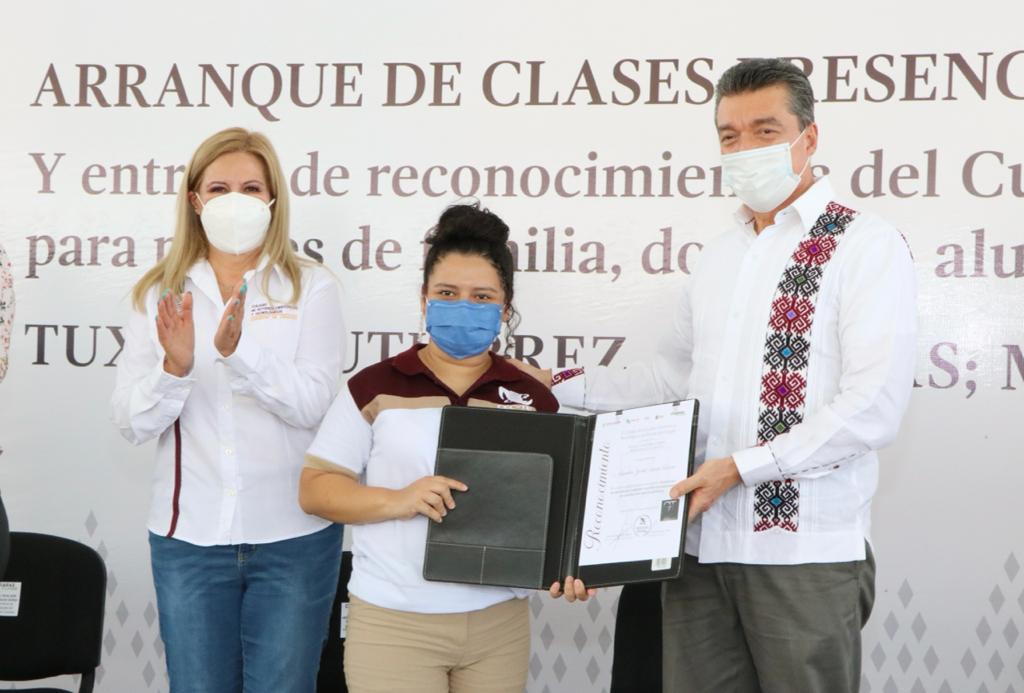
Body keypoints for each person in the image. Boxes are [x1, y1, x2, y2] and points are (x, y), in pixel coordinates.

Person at [521, 58, 918, 693]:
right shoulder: (718, 256)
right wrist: (553, 384)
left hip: (801, 556)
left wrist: (740, 467)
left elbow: (873, 405)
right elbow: (669, 381)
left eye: (765, 131)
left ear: (808, 139)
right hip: (698, 550)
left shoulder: (863, 245)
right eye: (729, 136)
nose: (745, 149)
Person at [299, 203, 591, 693]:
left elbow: (556, 511)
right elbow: (315, 490)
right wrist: (400, 499)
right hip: (395, 621)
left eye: (482, 296)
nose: (464, 306)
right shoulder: (374, 387)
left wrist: (572, 567)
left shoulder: (533, 397)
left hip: (498, 622)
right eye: (447, 293)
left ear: (505, 307)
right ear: (423, 300)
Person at [111, 127, 345, 693]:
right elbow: (131, 423)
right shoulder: (157, 293)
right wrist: (175, 367)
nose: (233, 199)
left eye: (249, 186)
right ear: (194, 200)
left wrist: (241, 352)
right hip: (189, 540)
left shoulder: (309, 286)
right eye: (217, 187)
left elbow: (315, 405)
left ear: (271, 199)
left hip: (295, 539)